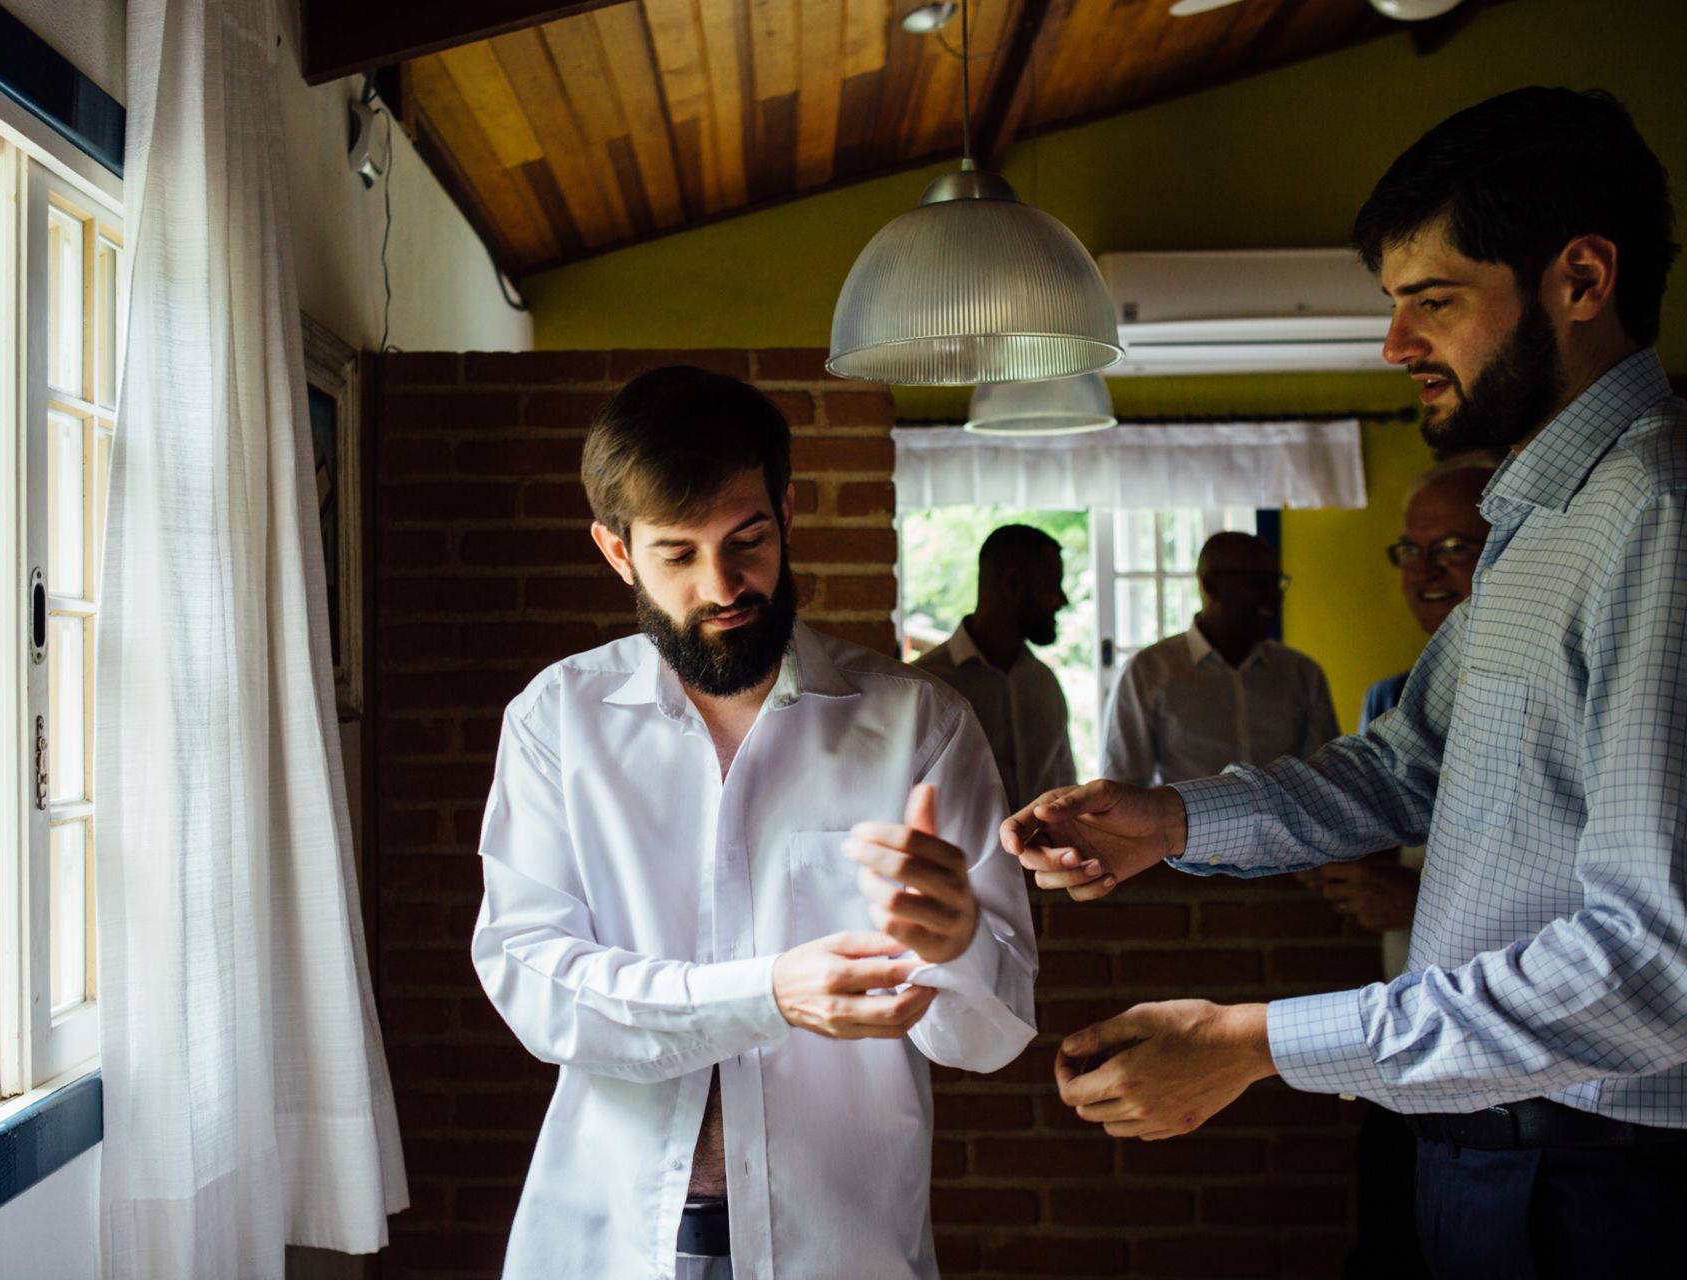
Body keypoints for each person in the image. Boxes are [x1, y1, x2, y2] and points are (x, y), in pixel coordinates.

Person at [1004, 88, 1686, 1276]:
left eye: (1434, 300)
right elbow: (1404, 763)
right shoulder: (1538, 515)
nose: (1394, 344)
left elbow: (1652, 967)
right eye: (1394, 304)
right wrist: (1172, 820)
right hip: (1491, 1152)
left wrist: (1257, 1042)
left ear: (1582, 279)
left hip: (1596, 1183)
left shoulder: (1659, 513)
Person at [473, 365, 1036, 1280]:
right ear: (618, 553)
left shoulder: (921, 729)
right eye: (678, 555)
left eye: (748, 540)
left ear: (787, 512)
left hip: (844, 1248)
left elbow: (992, 1040)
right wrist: (766, 995)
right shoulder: (556, 722)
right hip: (611, 1242)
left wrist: (960, 943)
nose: (724, 584)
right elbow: (536, 983)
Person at [1297, 457, 1492, 1280]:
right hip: (1402, 1030)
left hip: (1507, 1052)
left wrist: (1416, 900)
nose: (1425, 571)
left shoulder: (1561, 690)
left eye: (1452, 546)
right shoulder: (1392, 701)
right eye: (1410, 550)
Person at [1098, 531, 1340, 785]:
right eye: (1259, 583)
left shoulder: (1302, 673)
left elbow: (1327, 778)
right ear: (1210, 585)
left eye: (1277, 582)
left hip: (1287, 814)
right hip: (1186, 814)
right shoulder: (1148, 672)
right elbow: (1123, 784)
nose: (1276, 597)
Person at [914, 524, 1076, 812]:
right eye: (1052, 586)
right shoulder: (927, 685)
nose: (1062, 600)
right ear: (1012, 584)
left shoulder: (1045, 683)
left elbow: (1066, 784)